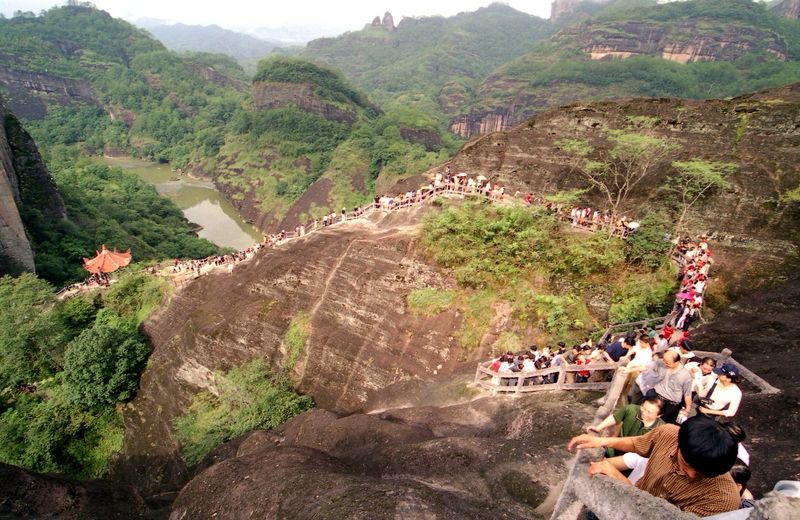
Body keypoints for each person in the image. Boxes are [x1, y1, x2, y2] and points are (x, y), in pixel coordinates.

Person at [567, 416, 740, 517]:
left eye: (703, 474)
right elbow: (638, 443)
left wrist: (617, 477)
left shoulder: (723, 500)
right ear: (678, 445)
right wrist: (602, 441)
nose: (692, 475)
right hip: (618, 505)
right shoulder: (667, 434)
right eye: (688, 465)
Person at [586, 397, 665, 457]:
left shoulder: (662, 429)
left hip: (635, 458)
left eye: (649, 412)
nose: (644, 413)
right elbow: (615, 417)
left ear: (659, 415)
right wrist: (599, 427)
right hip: (617, 446)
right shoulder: (631, 409)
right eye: (643, 408)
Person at [645, 350, 693, 424]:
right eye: (664, 361)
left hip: (670, 405)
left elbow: (687, 394)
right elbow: (647, 367)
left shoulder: (686, 375)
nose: (664, 364)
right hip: (655, 396)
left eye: (667, 363)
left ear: (677, 362)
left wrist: (687, 409)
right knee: (646, 417)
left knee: (661, 424)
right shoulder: (661, 363)